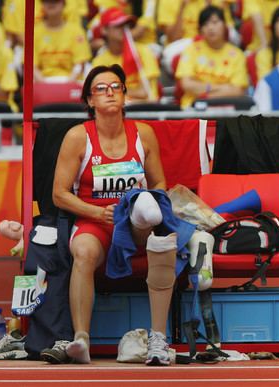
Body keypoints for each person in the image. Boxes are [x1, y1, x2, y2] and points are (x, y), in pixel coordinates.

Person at [48, 64, 194, 366]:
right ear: (90, 100)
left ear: (125, 95)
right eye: (101, 88)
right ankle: (81, 340)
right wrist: (98, 213)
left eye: (116, 86)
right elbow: (59, 194)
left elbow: (159, 184)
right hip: (96, 220)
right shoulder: (78, 137)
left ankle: (157, 338)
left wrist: (142, 206)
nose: (110, 92)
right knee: (83, 251)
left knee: (160, 234)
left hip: (136, 220)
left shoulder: (144, 134)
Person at [175, 5, 248, 109]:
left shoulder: (237, 54)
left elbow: (238, 90)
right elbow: (186, 85)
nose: (210, 28)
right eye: (205, 24)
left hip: (226, 110)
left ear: (224, 25)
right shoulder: (191, 50)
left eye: (215, 22)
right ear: (200, 30)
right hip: (193, 109)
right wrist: (222, 88)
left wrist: (205, 95)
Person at [91, 7, 161, 102]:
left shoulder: (143, 51)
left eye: (125, 25)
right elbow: (100, 94)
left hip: (144, 109)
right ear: (104, 30)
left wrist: (115, 93)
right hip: (117, 111)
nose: (123, 29)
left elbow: (144, 92)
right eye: (118, 26)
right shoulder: (99, 61)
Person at [33, 0, 91, 82]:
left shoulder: (76, 31)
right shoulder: (35, 32)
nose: (51, 4)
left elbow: (80, 64)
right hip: (42, 80)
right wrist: (44, 85)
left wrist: (67, 85)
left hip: (71, 80)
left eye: (55, 1)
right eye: (46, 1)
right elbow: (32, 66)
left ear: (63, 4)